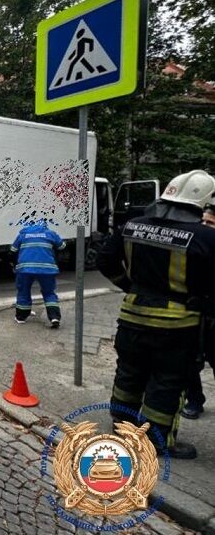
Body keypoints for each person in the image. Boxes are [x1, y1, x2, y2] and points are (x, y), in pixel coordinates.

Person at [98, 171, 215, 459]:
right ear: (202, 201)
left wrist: (130, 286)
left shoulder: (132, 225)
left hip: (132, 316)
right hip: (178, 326)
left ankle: (122, 426)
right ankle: (155, 441)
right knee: (167, 382)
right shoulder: (206, 237)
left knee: (129, 373)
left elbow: (104, 259)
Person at [181, 201, 215, 420]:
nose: (203, 226)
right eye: (202, 221)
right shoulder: (194, 248)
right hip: (195, 315)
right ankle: (194, 400)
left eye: (209, 223)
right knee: (189, 361)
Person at [9, 217, 66, 327]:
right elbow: (62, 246)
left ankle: (21, 317)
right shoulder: (50, 233)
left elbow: (12, 251)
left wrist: (14, 265)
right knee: (49, 293)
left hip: (25, 269)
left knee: (23, 291)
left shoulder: (23, 234)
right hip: (47, 269)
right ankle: (54, 317)